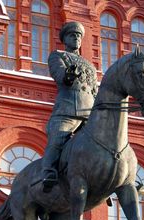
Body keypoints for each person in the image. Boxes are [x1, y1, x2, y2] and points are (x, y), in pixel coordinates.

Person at [40, 21, 98, 192]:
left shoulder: (90, 66)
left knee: (101, 144)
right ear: (65, 39)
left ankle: (101, 180)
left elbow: (94, 91)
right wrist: (68, 76)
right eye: (72, 35)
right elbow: (59, 76)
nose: (76, 38)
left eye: (78, 36)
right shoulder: (58, 56)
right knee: (58, 138)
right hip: (68, 109)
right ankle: (48, 171)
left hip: (89, 113)